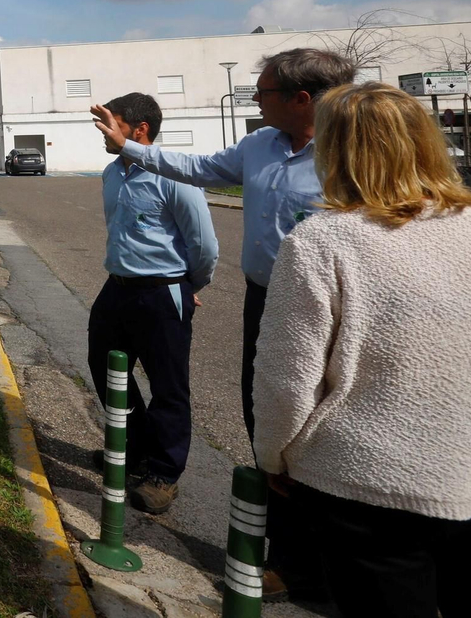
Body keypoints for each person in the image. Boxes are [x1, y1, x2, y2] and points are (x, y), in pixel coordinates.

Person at [88, 48, 355, 597]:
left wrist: (186, 288)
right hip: (268, 301)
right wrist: (130, 149)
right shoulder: (260, 146)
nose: (254, 102)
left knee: (334, 427)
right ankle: (292, 557)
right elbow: (199, 168)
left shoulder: (353, 150)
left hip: (341, 307)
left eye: (262, 93)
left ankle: (335, 557)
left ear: (302, 99)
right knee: (270, 423)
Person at [252, 82, 471, 618]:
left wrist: (274, 453)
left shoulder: (321, 242)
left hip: (368, 485)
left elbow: (288, 377)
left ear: (336, 151)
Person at [87, 93, 218, 515]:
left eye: (112, 122)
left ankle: (164, 473)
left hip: (163, 291)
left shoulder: (173, 176)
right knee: (105, 368)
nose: (103, 130)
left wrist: (184, 285)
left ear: (138, 130)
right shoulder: (111, 173)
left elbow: (204, 245)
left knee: (168, 384)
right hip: (117, 288)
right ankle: (135, 449)